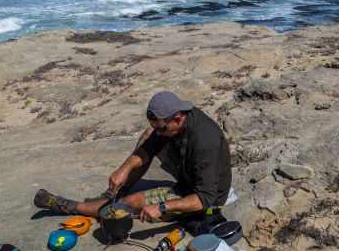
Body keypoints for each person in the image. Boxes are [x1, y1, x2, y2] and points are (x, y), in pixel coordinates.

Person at [34, 91, 232, 224]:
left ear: (178, 117)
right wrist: (124, 169)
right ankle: (115, 192)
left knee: (131, 202)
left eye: (162, 128)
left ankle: (72, 206)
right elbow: (153, 141)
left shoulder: (206, 141)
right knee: (148, 136)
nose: (159, 133)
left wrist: (162, 207)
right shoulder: (180, 119)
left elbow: (205, 198)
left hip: (203, 197)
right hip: (187, 168)